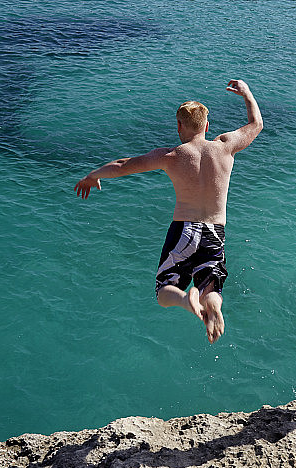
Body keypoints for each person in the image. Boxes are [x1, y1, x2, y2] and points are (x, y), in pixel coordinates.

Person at [75, 79, 263, 344]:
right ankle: (213, 305)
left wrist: (92, 176)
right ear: (207, 126)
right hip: (215, 231)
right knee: (211, 283)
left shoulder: (171, 156)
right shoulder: (225, 146)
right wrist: (246, 93)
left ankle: (186, 300)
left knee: (164, 291)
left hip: (184, 230)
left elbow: (123, 165)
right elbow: (256, 124)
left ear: (179, 126)